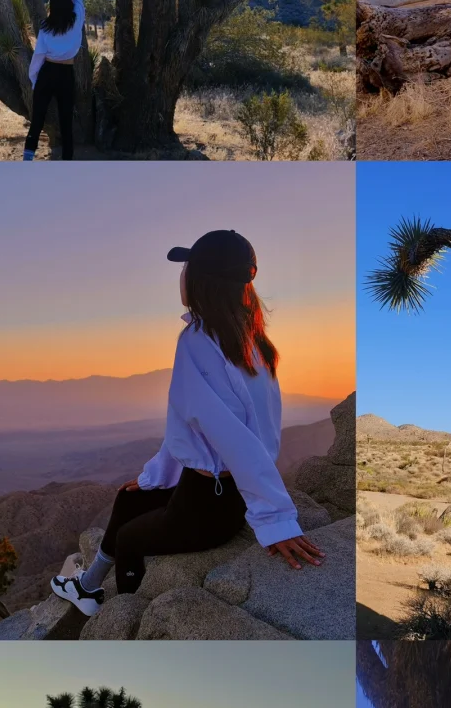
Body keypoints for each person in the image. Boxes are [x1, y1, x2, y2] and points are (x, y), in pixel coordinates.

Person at [51, 230, 325, 617]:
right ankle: (88, 586)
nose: (181, 274)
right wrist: (155, 475)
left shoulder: (198, 340)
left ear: (202, 279)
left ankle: (120, 613)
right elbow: (193, 425)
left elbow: (233, 437)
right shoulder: (249, 340)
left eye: (187, 266)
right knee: (130, 497)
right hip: (208, 488)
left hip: (211, 502)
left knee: (130, 539)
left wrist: (277, 520)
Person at [24, 0, 87, 161]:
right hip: (66, 75)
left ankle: (27, 159)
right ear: (68, 4)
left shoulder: (45, 26)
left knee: (37, 120)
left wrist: (34, 79)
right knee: (66, 121)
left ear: (51, 5)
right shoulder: (77, 18)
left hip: (47, 73)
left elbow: (38, 56)